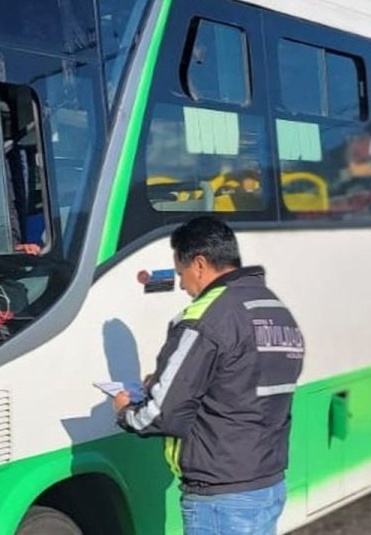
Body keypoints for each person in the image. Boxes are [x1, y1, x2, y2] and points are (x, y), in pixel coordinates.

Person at [114, 217, 304, 535]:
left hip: (221, 495)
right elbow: (240, 385)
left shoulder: (205, 317)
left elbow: (163, 415)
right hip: (266, 483)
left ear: (199, 264)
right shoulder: (272, 307)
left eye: (181, 273)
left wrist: (125, 411)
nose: (182, 284)